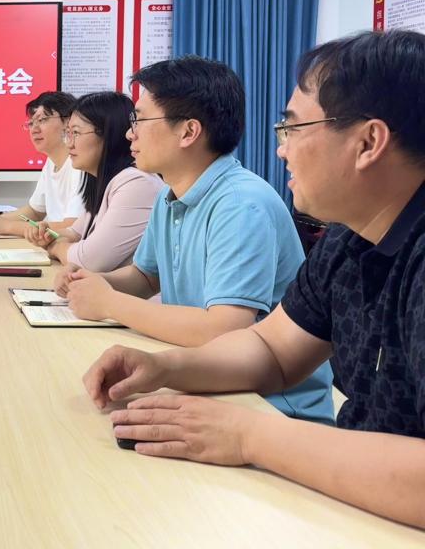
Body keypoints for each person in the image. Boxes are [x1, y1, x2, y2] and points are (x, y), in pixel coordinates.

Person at [83, 31, 425, 528]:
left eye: (293, 128)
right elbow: (271, 349)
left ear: (368, 142)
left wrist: (250, 436)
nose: (282, 150)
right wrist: (165, 368)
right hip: (360, 499)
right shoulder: (348, 240)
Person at [62, 56, 334, 422]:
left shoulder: (240, 204)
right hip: (207, 379)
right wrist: (93, 283)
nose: (129, 134)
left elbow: (224, 328)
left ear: (188, 132)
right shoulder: (169, 195)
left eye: (139, 120)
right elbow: (146, 276)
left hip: (270, 406)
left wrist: (109, 303)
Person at [25, 92, 162, 272]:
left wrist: (55, 247)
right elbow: (74, 232)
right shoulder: (105, 181)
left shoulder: (136, 183)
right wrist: (50, 235)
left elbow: (88, 260)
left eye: (76, 133)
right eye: (68, 133)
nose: (69, 144)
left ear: (108, 134)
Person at [0, 91, 83, 237]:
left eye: (42, 120)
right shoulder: (51, 162)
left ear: (68, 121)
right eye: (31, 123)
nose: (34, 129)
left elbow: (73, 227)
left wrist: (7, 226)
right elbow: (35, 211)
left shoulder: (81, 165)